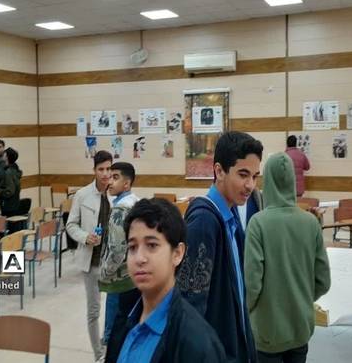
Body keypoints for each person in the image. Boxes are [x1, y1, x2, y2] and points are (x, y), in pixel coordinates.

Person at [177, 131, 262, 363]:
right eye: (243, 174)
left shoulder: (231, 216)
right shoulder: (204, 221)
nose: (250, 185)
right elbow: (190, 306)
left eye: (255, 176)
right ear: (219, 171)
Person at [107, 198, 226, 363]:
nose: (139, 258)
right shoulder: (125, 317)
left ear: (177, 253)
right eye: (132, 247)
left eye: (152, 245)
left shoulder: (198, 343)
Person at [245, 152, 331, 363]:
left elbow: (252, 283)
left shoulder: (258, 223)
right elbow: (323, 281)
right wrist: (300, 298)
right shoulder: (311, 223)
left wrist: (248, 312)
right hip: (300, 328)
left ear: (267, 182)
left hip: (267, 330)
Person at [66, 150, 113, 362]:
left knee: (115, 309)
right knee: (94, 311)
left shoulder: (115, 193)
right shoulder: (83, 195)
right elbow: (71, 225)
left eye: (108, 169)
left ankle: (112, 346)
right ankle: (98, 355)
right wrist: (85, 237)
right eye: (101, 169)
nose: (105, 173)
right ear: (94, 170)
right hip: (92, 261)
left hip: (112, 263)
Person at [100, 162, 141, 346]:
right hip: (133, 273)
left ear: (127, 183)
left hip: (119, 277)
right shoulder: (136, 202)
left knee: (114, 329)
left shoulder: (120, 209)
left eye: (115, 177)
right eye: (110, 177)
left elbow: (117, 249)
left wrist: (106, 272)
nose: (110, 181)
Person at [0, 147, 22, 216]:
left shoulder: (8, 172)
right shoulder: (15, 170)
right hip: (14, 204)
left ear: (7, 157)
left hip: (8, 206)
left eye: (4, 155)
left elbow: (10, 191)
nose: (3, 156)